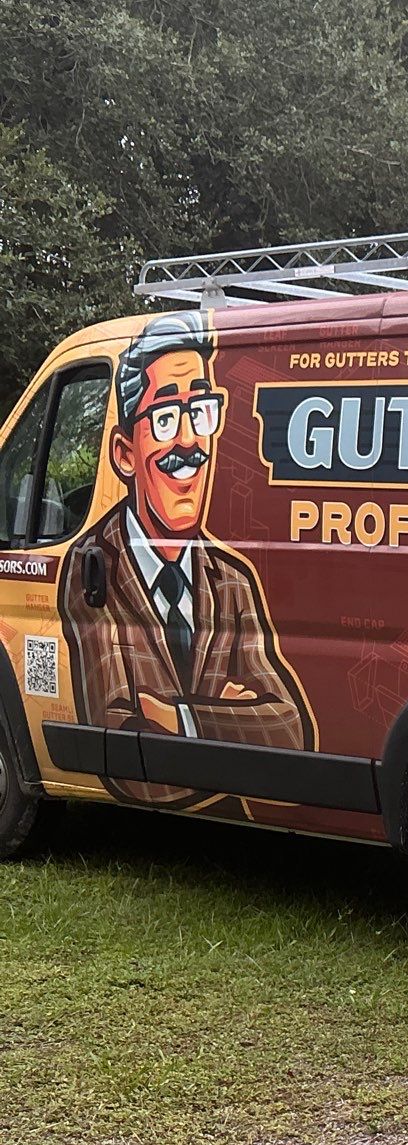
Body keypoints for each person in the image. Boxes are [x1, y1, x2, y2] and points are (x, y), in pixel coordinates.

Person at [58, 311, 313, 807]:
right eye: (167, 416)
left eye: (200, 411)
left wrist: (176, 719)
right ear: (125, 452)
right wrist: (237, 724)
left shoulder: (231, 580)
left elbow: (291, 734)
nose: (190, 441)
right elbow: (129, 766)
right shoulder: (94, 567)